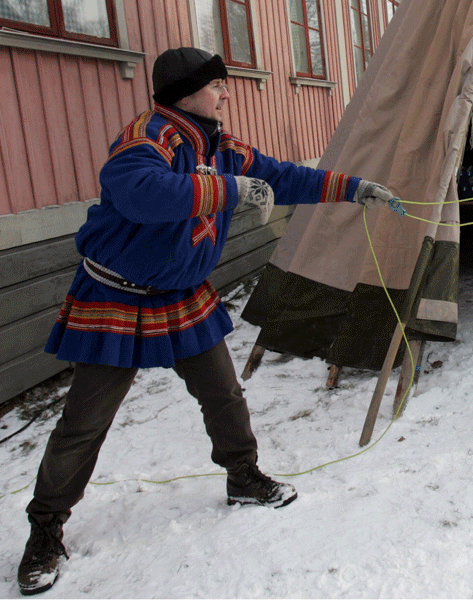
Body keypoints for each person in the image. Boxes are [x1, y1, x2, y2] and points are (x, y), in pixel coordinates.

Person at [16, 47, 405, 596]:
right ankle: (45, 529)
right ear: (185, 93)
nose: (227, 93)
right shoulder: (145, 141)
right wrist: (228, 190)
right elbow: (142, 194)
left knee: (223, 394)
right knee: (85, 420)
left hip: (182, 295)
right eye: (218, 85)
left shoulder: (220, 146)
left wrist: (352, 187)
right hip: (118, 297)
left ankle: (243, 476)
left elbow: (282, 177)